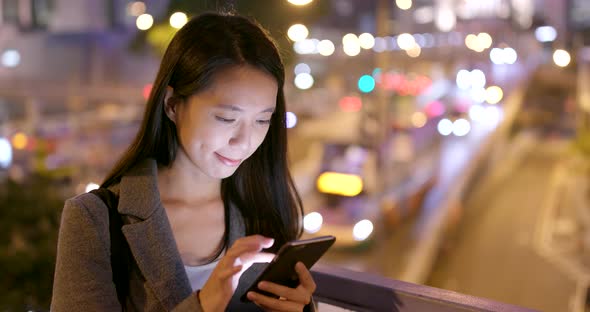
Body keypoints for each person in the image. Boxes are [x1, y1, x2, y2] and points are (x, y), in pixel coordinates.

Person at [51, 11, 317, 312]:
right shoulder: (95, 219)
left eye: (262, 120)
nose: (244, 141)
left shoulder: (263, 210)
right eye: (227, 118)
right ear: (172, 105)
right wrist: (202, 305)